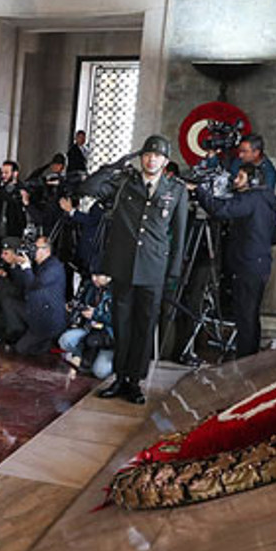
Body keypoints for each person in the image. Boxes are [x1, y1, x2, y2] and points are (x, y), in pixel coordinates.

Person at [79, 134, 188, 404]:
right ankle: (119, 377)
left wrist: (173, 274)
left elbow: (179, 235)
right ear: (141, 157)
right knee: (122, 324)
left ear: (165, 161)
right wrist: (115, 165)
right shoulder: (123, 183)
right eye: (147, 155)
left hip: (153, 270)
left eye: (157, 156)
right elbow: (87, 187)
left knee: (145, 325)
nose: (151, 159)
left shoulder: (176, 191)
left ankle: (135, 382)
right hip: (123, 267)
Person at [192, 163, 276, 358]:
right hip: (258, 262)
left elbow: (222, 210)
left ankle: (244, 358)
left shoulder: (251, 199)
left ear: (253, 181)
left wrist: (201, 191)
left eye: (240, 177)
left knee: (245, 315)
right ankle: (249, 355)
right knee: (250, 313)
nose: (235, 181)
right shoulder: (266, 200)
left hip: (248, 264)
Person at [8, 235, 67, 355]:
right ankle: (23, 335)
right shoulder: (38, 265)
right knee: (10, 303)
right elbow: (20, 283)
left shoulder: (54, 267)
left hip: (48, 320)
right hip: (34, 313)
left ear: (47, 250)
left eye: (36, 248)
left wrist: (26, 266)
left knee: (21, 349)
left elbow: (35, 284)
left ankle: (47, 343)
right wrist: (16, 265)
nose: (33, 251)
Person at [59, 273, 114, 378]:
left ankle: (89, 357)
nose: (94, 279)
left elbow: (120, 320)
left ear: (108, 276)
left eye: (98, 276)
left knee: (101, 372)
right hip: (89, 330)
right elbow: (80, 303)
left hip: (109, 337)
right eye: (92, 275)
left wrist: (97, 315)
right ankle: (86, 356)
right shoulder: (90, 286)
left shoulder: (118, 291)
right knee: (65, 340)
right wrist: (76, 309)